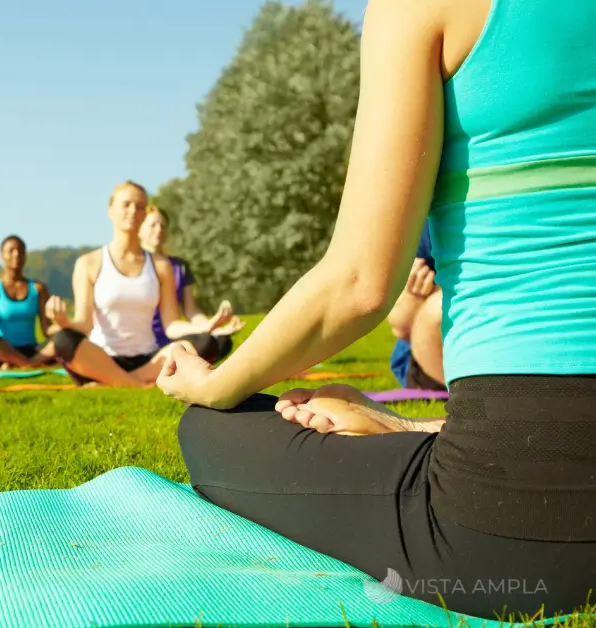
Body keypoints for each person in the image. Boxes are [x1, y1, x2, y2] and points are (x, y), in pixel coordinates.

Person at [159, 0, 596, 619]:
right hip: (529, 439)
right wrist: (401, 426)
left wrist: (215, 383)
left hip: (515, 528)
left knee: (210, 428)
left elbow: (358, 286)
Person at [43, 181, 243, 388]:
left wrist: (206, 327)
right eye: (126, 204)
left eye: (140, 206)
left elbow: (171, 324)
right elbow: (84, 324)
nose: (133, 211)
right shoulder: (88, 263)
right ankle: (137, 383)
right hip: (103, 358)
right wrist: (64, 320)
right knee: (64, 340)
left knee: (205, 343)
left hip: (150, 359)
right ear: (110, 210)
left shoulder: (160, 265)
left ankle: (119, 381)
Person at [139, 205, 238, 362]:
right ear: (139, 228)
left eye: (163, 226)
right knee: (205, 341)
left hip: (173, 336)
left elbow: (191, 311)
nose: (159, 230)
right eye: (153, 225)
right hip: (143, 343)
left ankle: (180, 365)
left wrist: (215, 327)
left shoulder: (180, 267)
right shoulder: (132, 266)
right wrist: (208, 329)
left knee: (220, 341)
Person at [0, 235, 56, 368]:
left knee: (63, 339)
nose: (16, 254)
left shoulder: (38, 289)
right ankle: (26, 362)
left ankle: (20, 362)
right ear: (2, 255)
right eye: (11, 251)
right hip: (5, 349)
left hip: (32, 350)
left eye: (20, 251)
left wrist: (67, 327)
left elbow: (46, 329)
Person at [385, 222, 446, 391]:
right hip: (420, 363)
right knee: (440, 307)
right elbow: (400, 326)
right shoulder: (430, 226)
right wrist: (414, 296)